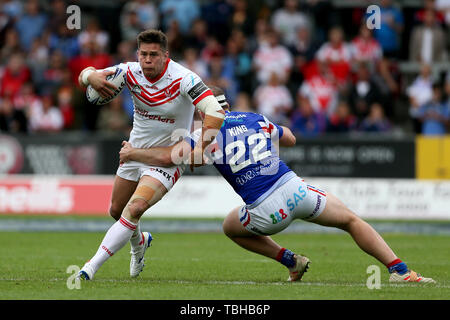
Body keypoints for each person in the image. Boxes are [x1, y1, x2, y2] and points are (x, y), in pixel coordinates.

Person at [118, 86, 436, 284]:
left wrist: (135, 152)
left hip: (267, 212)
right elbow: (291, 137)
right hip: (296, 190)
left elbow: (176, 158)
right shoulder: (255, 118)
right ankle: (401, 270)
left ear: (204, 113)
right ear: (227, 106)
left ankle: (289, 260)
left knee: (230, 225)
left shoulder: (206, 136)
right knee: (351, 220)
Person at [76, 29, 225, 280]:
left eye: (153, 55)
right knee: (117, 210)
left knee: (134, 208)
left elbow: (215, 110)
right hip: (135, 152)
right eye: (143, 54)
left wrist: (201, 147)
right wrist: (92, 76)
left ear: (165, 56)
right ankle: (140, 243)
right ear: (138, 54)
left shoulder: (184, 79)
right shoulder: (130, 72)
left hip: (168, 158)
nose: (147, 60)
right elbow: (83, 75)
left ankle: (89, 268)